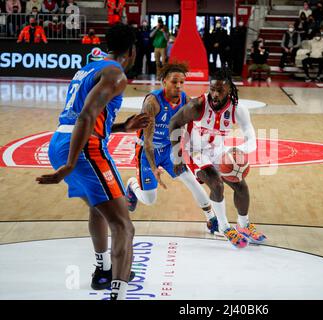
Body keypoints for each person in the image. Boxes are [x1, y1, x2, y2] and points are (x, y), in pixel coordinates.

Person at [36, 24, 150, 300]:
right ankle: (118, 294)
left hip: (61, 141)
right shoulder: (116, 74)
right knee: (124, 226)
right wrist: (71, 163)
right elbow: (86, 115)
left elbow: (87, 116)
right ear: (132, 52)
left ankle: (103, 271)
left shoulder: (89, 68)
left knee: (99, 209)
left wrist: (123, 126)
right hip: (84, 148)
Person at [168, 68, 267, 248]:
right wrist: (177, 156)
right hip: (195, 151)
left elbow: (251, 138)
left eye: (219, 90)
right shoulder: (197, 105)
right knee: (216, 183)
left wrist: (238, 150)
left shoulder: (238, 109)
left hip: (218, 150)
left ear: (229, 89)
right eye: (212, 89)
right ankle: (224, 227)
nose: (214, 94)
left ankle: (243, 225)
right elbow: (174, 122)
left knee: (241, 186)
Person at [126, 63, 220, 235]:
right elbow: (147, 141)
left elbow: (201, 110)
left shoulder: (184, 99)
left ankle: (212, 218)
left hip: (168, 149)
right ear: (163, 82)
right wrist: (154, 168)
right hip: (147, 151)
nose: (178, 86)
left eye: (181, 82)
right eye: (174, 82)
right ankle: (132, 185)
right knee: (149, 199)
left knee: (189, 178)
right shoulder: (152, 102)